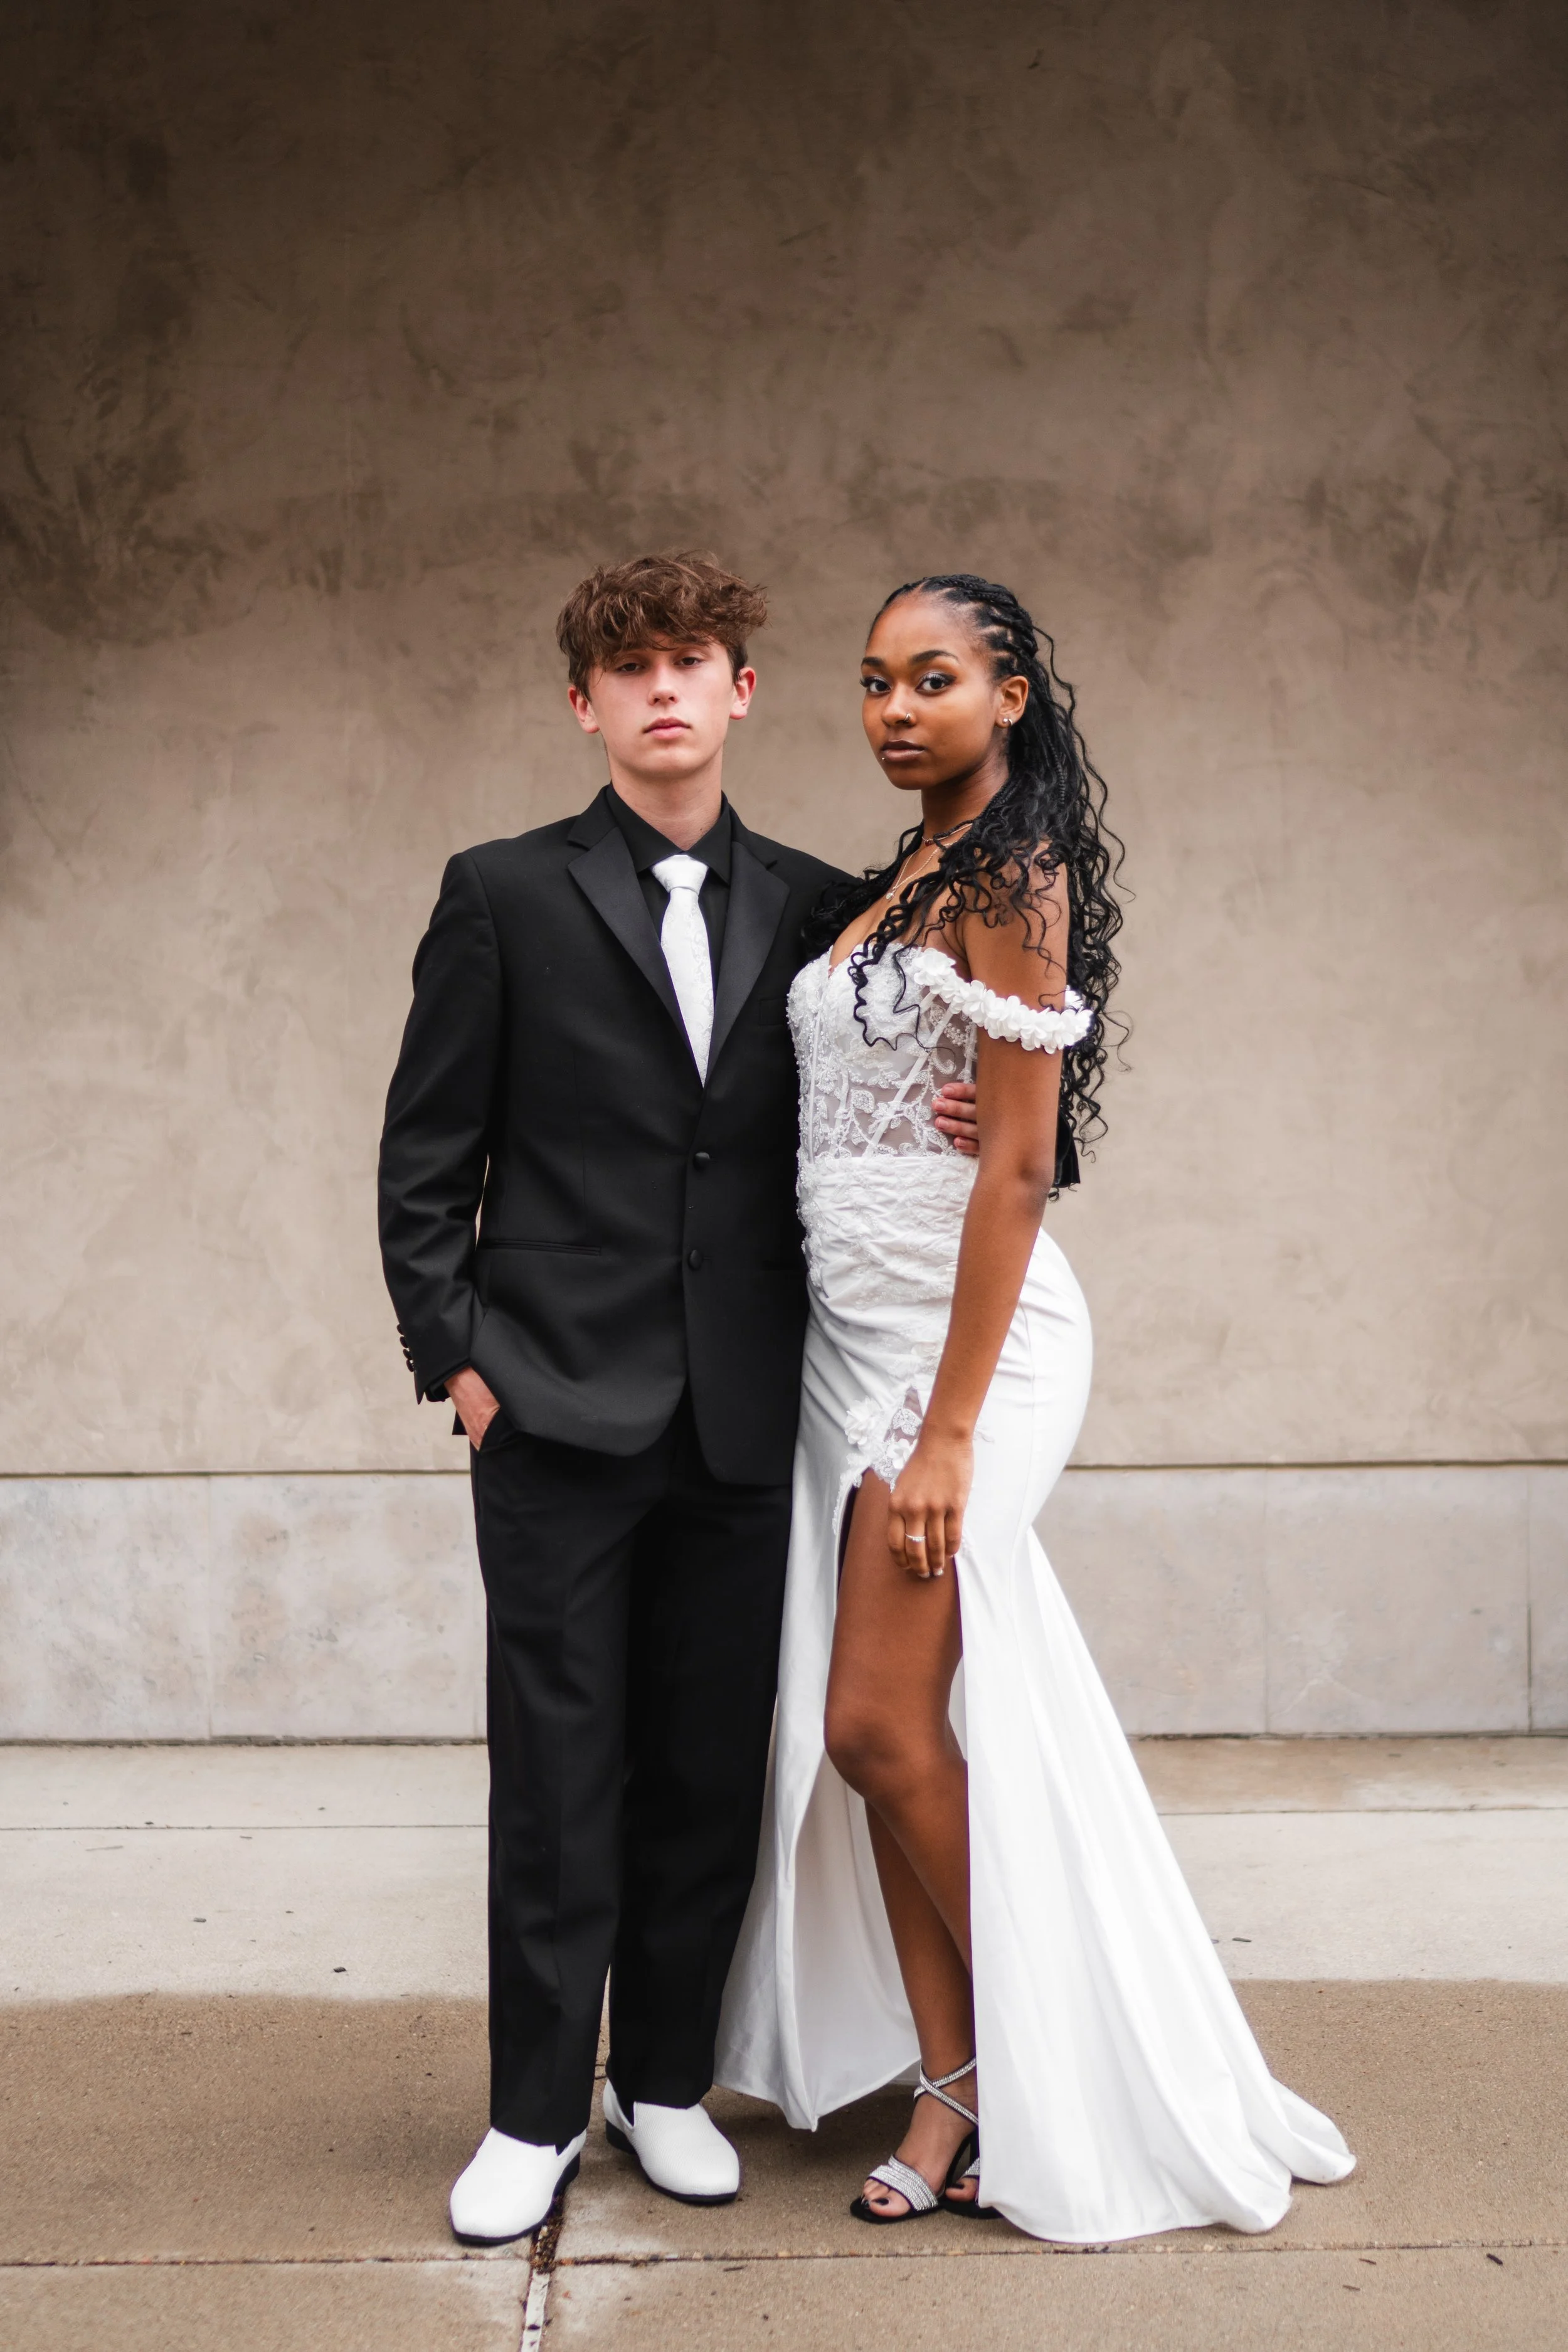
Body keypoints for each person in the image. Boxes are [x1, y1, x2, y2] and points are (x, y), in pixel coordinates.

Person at [717, 573, 1355, 2240]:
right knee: (902, 1737)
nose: (892, 708)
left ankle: (1081, 2050)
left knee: (867, 1719)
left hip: (965, 1348)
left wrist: (946, 1428)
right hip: (845, 1343)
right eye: (869, 682)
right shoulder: (895, 881)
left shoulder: (1013, 873)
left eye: (931, 677)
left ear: (1008, 694)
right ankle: (955, 2088)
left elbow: (1012, 1162)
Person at [377, 552, 979, 2243]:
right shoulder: (499, 892)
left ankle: (660, 2084)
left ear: (738, 692)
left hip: (741, 1410)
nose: (660, 690)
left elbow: (961, 1060)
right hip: (553, 1407)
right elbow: (425, 1158)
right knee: (559, 1769)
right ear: (586, 704)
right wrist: (463, 1367)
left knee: (706, 1763)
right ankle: (526, 2110)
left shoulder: (812, 902)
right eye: (625, 669)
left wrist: (997, 1130)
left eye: (690, 661)